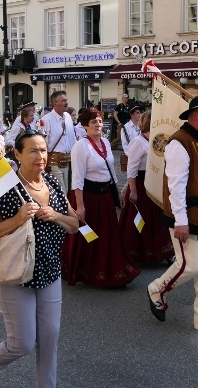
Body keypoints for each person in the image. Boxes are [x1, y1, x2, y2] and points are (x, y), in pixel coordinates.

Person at [0, 130, 78, 388]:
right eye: (32, 150)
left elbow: (74, 225)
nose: (40, 155)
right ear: (17, 154)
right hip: (15, 273)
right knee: (22, 343)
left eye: (43, 150)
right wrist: (16, 220)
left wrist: (56, 215)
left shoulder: (53, 183)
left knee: (50, 338)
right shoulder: (4, 187)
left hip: (50, 272)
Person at [145, 96, 198, 333]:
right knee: (190, 266)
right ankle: (157, 289)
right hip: (188, 217)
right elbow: (175, 186)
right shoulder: (179, 143)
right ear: (195, 116)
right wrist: (181, 221)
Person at [62, 107, 140, 288]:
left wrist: (118, 191)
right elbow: (77, 179)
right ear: (85, 125)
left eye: (99, 121)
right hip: (88, 197)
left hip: (105, 196)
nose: (97, 125)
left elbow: (111, 170)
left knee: (108, 235)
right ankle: (87, 271)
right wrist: (80, 206)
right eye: (93, 122)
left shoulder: (105, 142)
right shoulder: (80, 147)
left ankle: (111, 269)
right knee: (89, 237)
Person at [118, 111, 173, 263]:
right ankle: (138, 253)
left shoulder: (157, 140)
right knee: (141, 220)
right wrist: (133, 190)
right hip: (141, 185)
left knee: (157, 219)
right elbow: (132, 169)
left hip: (155, 184)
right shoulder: (138, 142)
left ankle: (162, 251)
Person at [41, 91, 76, 193]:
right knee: (62, 192)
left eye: (66, 100)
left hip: (68, 161)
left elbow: (72, 138)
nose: (66, 103)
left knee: (69, 191)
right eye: (63, 101)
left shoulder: (68, 117)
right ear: (55, 103)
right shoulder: (46, 120)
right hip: (54, 163)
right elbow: (43, 143)